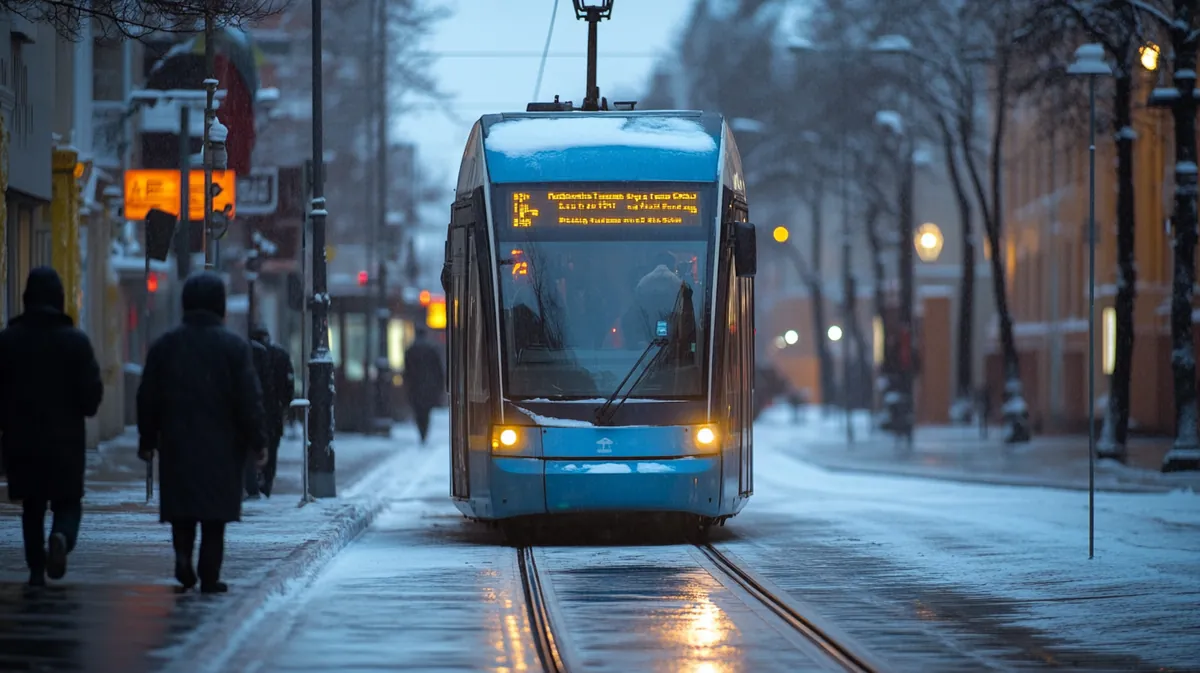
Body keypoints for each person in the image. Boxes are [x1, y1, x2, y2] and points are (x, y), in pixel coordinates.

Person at [137, 272, 266, 593]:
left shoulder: (165, 346)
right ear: (220, 305)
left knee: (183, 509)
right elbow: (249, 399)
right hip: (222, 446)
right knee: (214, 516)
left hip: (178, 442)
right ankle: (209, 574)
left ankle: (182, 556)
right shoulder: (233, 348)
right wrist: (257, 441)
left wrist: (148, 439)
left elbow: (147, 396)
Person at [0, 268, 104, 586]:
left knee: (32, 505)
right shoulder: (76, 342)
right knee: (67, 501)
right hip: (65, 442)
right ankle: (60, 537)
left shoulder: (8, 341)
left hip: (21, 439)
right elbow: (90, 397)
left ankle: (35, 570)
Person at [249, 325, 294, 497]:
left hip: (256, 408)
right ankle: (266, 483)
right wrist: (284, 404)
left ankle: (253, 482)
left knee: (251, 448)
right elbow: (288, 385)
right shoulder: (279, 355)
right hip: (273, 411)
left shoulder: (247, 354)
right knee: (272, 448)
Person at [403, 328, 444, 444]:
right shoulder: (431, 350)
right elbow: (438, 370)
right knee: (426, 411)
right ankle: (424, 432)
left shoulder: (411, 351)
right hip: (428, 387)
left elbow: (407, 371)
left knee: (418, 411)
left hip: (415, 386)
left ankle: (422, 432)